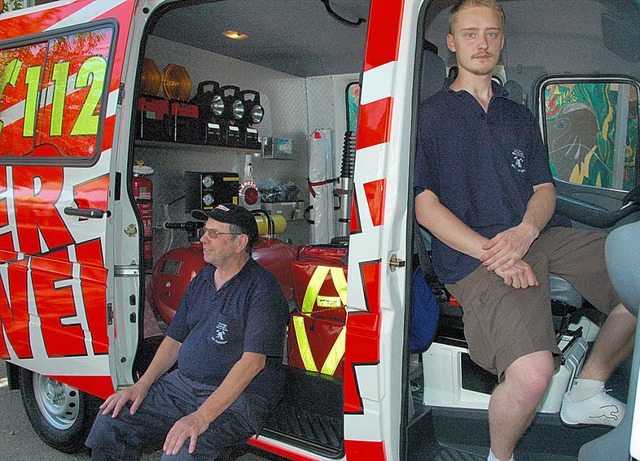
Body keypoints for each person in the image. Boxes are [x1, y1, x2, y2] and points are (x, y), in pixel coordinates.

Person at [413, 1, 637, 461]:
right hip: (473, 253)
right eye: (471, 34)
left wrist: (526, 232)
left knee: (637, 272)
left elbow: (543, 189)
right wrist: (497, 253)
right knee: (534, 374)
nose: (483, 43)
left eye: (492, 34)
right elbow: (424, 206)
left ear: (501, 42)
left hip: (539, 235)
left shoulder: (517, 115)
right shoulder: (428, 117)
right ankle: (501, 456)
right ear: (453, 44)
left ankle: (587, 389)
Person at [86, 203, 289, 460]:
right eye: (205, 231)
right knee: (112, 420)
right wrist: (141, 385)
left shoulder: (263, 290)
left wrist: (200, 417)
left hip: (239, 397)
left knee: (183, 451)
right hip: (182, 387)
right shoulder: (202, 280)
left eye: (214, 234)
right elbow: (174, 339)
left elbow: (252, 364)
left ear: (240, 243)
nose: (203, 238)